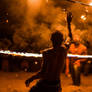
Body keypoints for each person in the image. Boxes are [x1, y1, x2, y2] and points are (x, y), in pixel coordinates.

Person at [25, 12, 72, 92]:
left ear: (51, 40)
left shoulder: (47, 53)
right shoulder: (64, 50)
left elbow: (43, 73)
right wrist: (68, 23)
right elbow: (70, 37)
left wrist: (31, 78)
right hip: (56, 85)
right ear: (61, 40)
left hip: (45, 85)